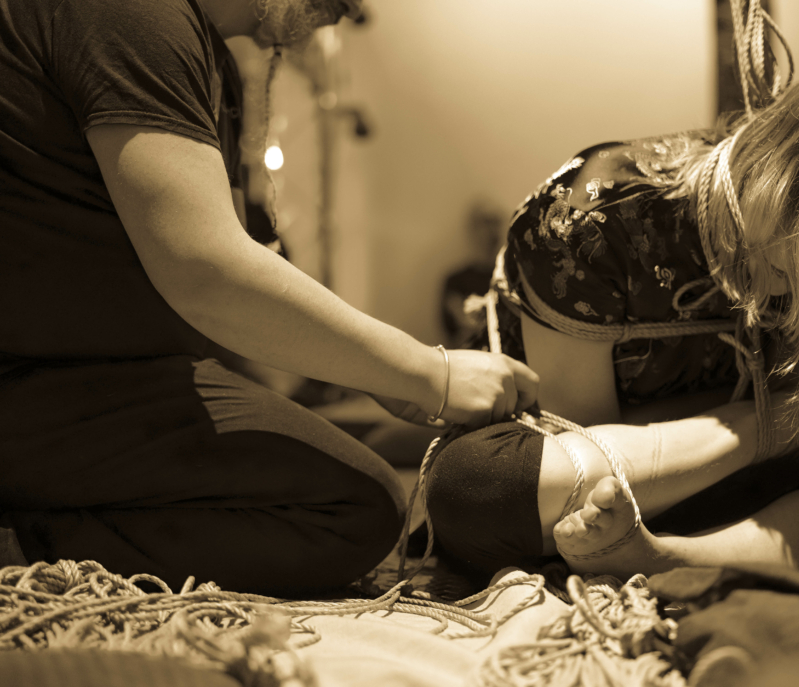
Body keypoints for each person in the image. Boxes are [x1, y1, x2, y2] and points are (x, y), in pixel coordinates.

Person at [0, 0, 538, 598]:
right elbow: (207, 273)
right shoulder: (133, 14)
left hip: (114, 372)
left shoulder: (211, 59)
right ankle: (21, 543)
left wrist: (381, 378)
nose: (346, 13)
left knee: (358, 466)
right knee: (354, 509)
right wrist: (427, 373)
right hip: (37, 377)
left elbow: (237, 268)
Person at [425, 73, 799, 586]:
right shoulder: (591, 214)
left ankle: (670, 559)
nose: (797, 290)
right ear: (773, 173)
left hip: (730, 472)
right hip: (613, 471)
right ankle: (724, 537)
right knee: (474, 486)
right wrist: (788, 419)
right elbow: (588, 443)